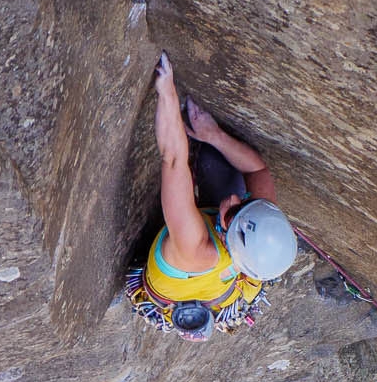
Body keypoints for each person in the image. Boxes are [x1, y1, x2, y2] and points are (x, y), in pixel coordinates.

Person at [125, 53, 299, 340]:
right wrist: (213, 135)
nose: (235, 200)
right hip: (227, 289)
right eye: (246, 203)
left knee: (192, 179)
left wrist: (167, 92)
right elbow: (257, 170)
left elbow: (173, 159)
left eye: (234, 212)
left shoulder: (194, 247)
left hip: (182, 277)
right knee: (214, 156)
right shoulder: (258, 232)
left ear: (230, 240)